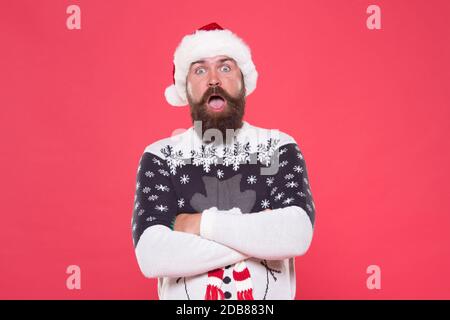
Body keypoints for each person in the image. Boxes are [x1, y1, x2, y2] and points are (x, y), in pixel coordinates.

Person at [131, 23, 316, 300]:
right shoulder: (161, 157)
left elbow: (296, 234)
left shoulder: (276, 147)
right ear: (186, 86)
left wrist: (199, 225)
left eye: (226, 67)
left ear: (243, 80)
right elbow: (152, 255)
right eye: (200, 69)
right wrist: (261, 235)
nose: (214, 79)